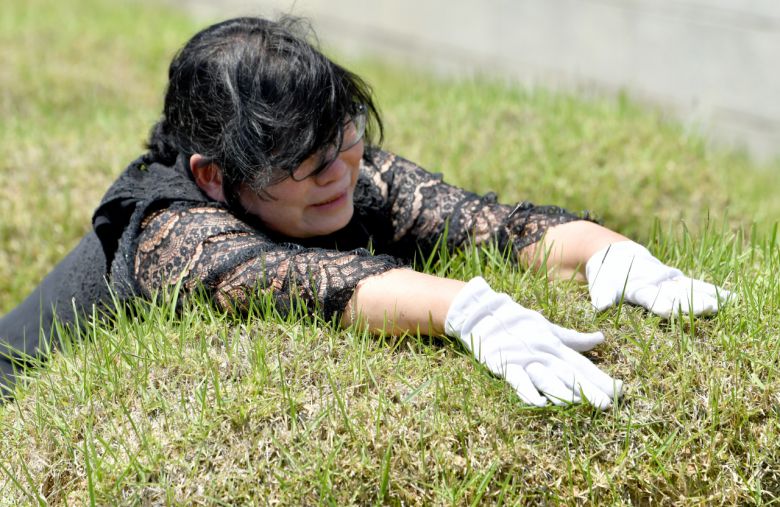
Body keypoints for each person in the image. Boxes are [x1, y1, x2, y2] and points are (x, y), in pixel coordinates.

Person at [0, 16, 728, 407]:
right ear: (215, 177)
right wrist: (468, 310)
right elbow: (296, 279)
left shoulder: (341, 162)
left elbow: (494, 224)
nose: (344, 172)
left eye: (346, 140)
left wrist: (608, 250)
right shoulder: (166, 229)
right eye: (310, 167)